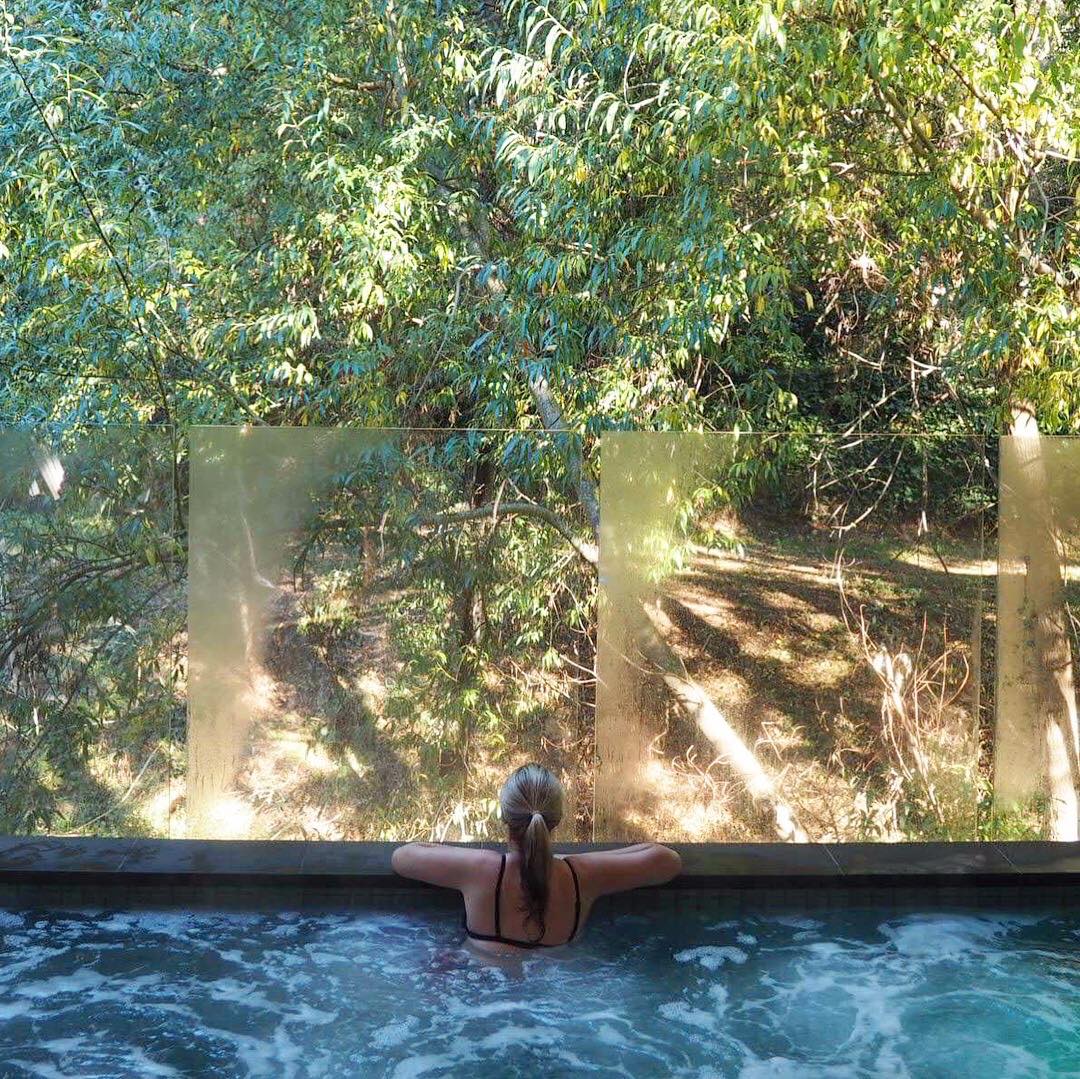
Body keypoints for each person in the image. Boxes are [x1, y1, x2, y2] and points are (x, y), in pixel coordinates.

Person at [391, 762, 682, 953]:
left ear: (505, 816)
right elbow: (666, 859)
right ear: (556, 820)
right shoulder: (581, 876)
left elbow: (402, 857)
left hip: (483, 1002)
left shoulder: (480, 868)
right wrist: (578, 860)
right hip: (557, 1002)